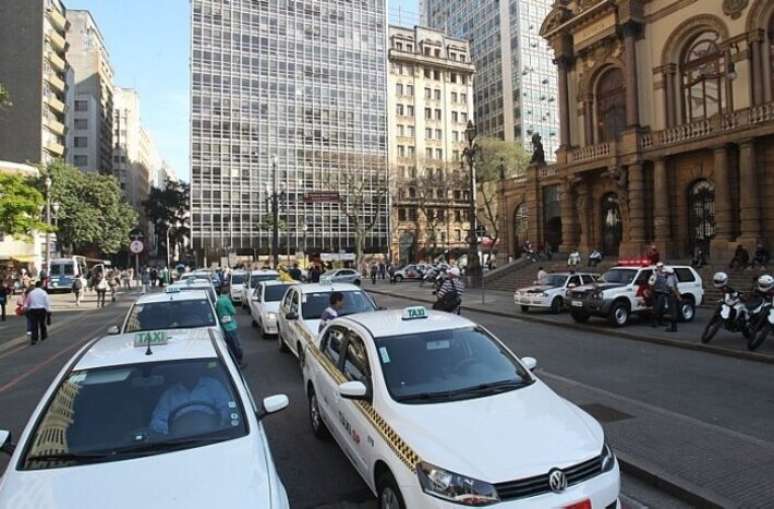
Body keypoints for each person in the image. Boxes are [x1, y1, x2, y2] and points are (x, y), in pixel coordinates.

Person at [149, 370, 231, 435]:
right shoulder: (169, 395)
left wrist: (215, 424)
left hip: (213, 436)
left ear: (198, 369)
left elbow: (227, 407)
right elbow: (156, 421)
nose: (189, 373)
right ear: (179, 373)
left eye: (192, 369)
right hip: (180, 441)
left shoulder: (213, 385)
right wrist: (174, 431)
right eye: (185, 370)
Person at [215, 286, 246, 368]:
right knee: (236, 345)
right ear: (228, 293)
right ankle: (238, 362)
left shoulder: (218, 301)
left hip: (223, 326)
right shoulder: (226, 301)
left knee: (230, 345)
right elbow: (233, 311)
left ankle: (233, 362)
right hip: (230, 326)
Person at [26, 281, 51, 345]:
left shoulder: (31, 293)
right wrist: (48, 311)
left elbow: (27, 302)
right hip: (42, 309)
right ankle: (43, 336)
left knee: (34, 325)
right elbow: (47, 302)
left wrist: (27, 309)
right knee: (42, 323)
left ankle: (34, 339)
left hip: (33, 310)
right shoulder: (44, 293)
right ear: (41, 285)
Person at [663, 266, 680, 332]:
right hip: (673, 296)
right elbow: (676, 286)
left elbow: (672, 288)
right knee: (674, 311)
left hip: (671, 295)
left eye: (665, 272)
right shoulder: (674, 276)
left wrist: (677, 295)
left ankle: (673, 327)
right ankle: (674, 327)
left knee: (672, 312)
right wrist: (678, 295)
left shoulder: (669, 278)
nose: (665, 273)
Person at [651, 263, 668, 328]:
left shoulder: (664, 274)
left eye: (661, 266)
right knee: (656, 309)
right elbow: (651, 283)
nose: (660, 268)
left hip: (663, 293)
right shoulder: (654, 275)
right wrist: (653, 292)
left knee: (662, 308)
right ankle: (654, 322)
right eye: (659, 266)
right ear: (657, 267)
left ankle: (661, 321)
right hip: (656, 293)